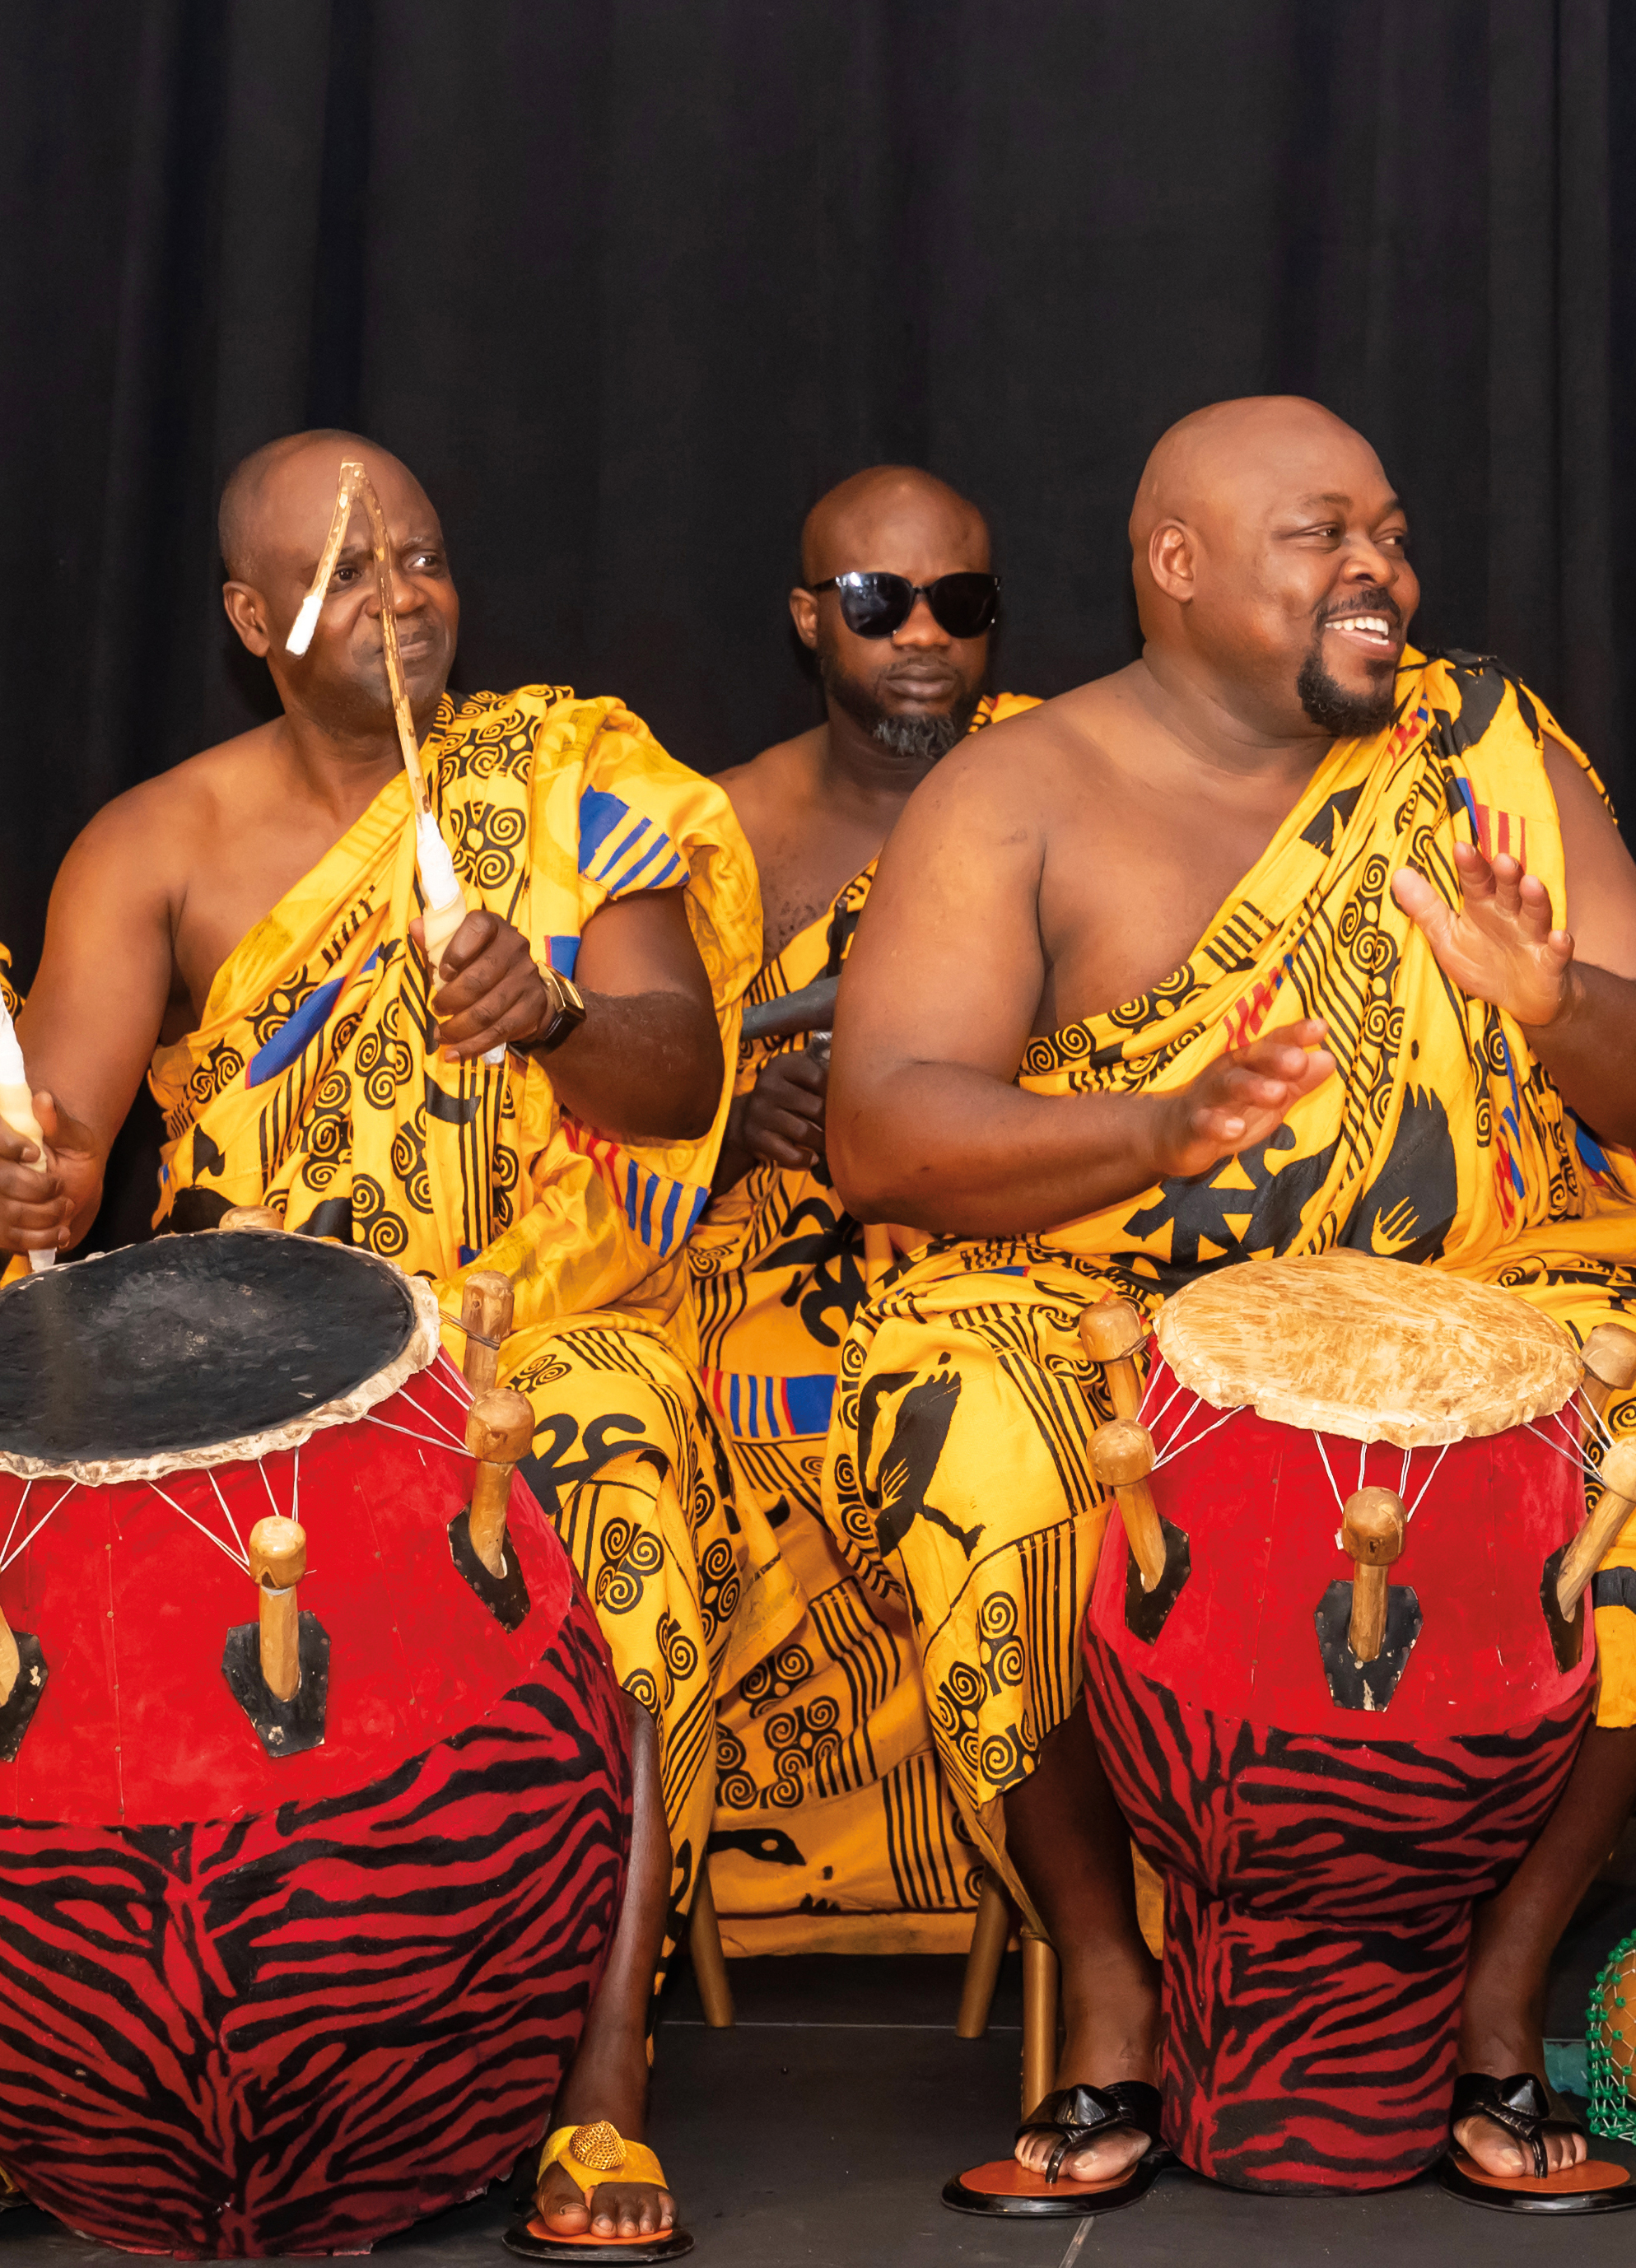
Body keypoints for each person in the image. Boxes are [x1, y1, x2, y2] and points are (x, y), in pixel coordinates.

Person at [823, 396, 1636, 2209]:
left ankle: (1494, 2011)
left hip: (1484, 1291)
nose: (1377, 573)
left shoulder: (1483, 755)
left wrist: (1558, 1002)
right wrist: (1154, 1128)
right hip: (1102, 1293)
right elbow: (882, 1131)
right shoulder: (1013, 792)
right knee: (983, 1442)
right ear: (1172, 566)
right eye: (1318, 534)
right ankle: (1110, 1996)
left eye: (1390, 535)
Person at [0, 431, 790, 2250]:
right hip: (243, 1348)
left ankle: (596, 2094)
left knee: (619, 1491)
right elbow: (63, 1148)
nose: (403, 600)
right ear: (255, 617)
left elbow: (682, 1081)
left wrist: (555, 1008)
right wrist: (31, 1177)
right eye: (348, 575)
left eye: (421, 557)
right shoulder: (155, 839)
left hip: (534, 1330)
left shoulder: (571, 778)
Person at [667, 466, 1030, 1940]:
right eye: (882, 604)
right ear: (811, 618)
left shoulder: (1062, 790)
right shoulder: (716, 833)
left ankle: (1059, 1860)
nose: (925, 636)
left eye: (963, 602)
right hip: (769, 1254)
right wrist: (732, 1131)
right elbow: (613, 1093)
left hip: (1012, 1231)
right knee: (722, 1403)